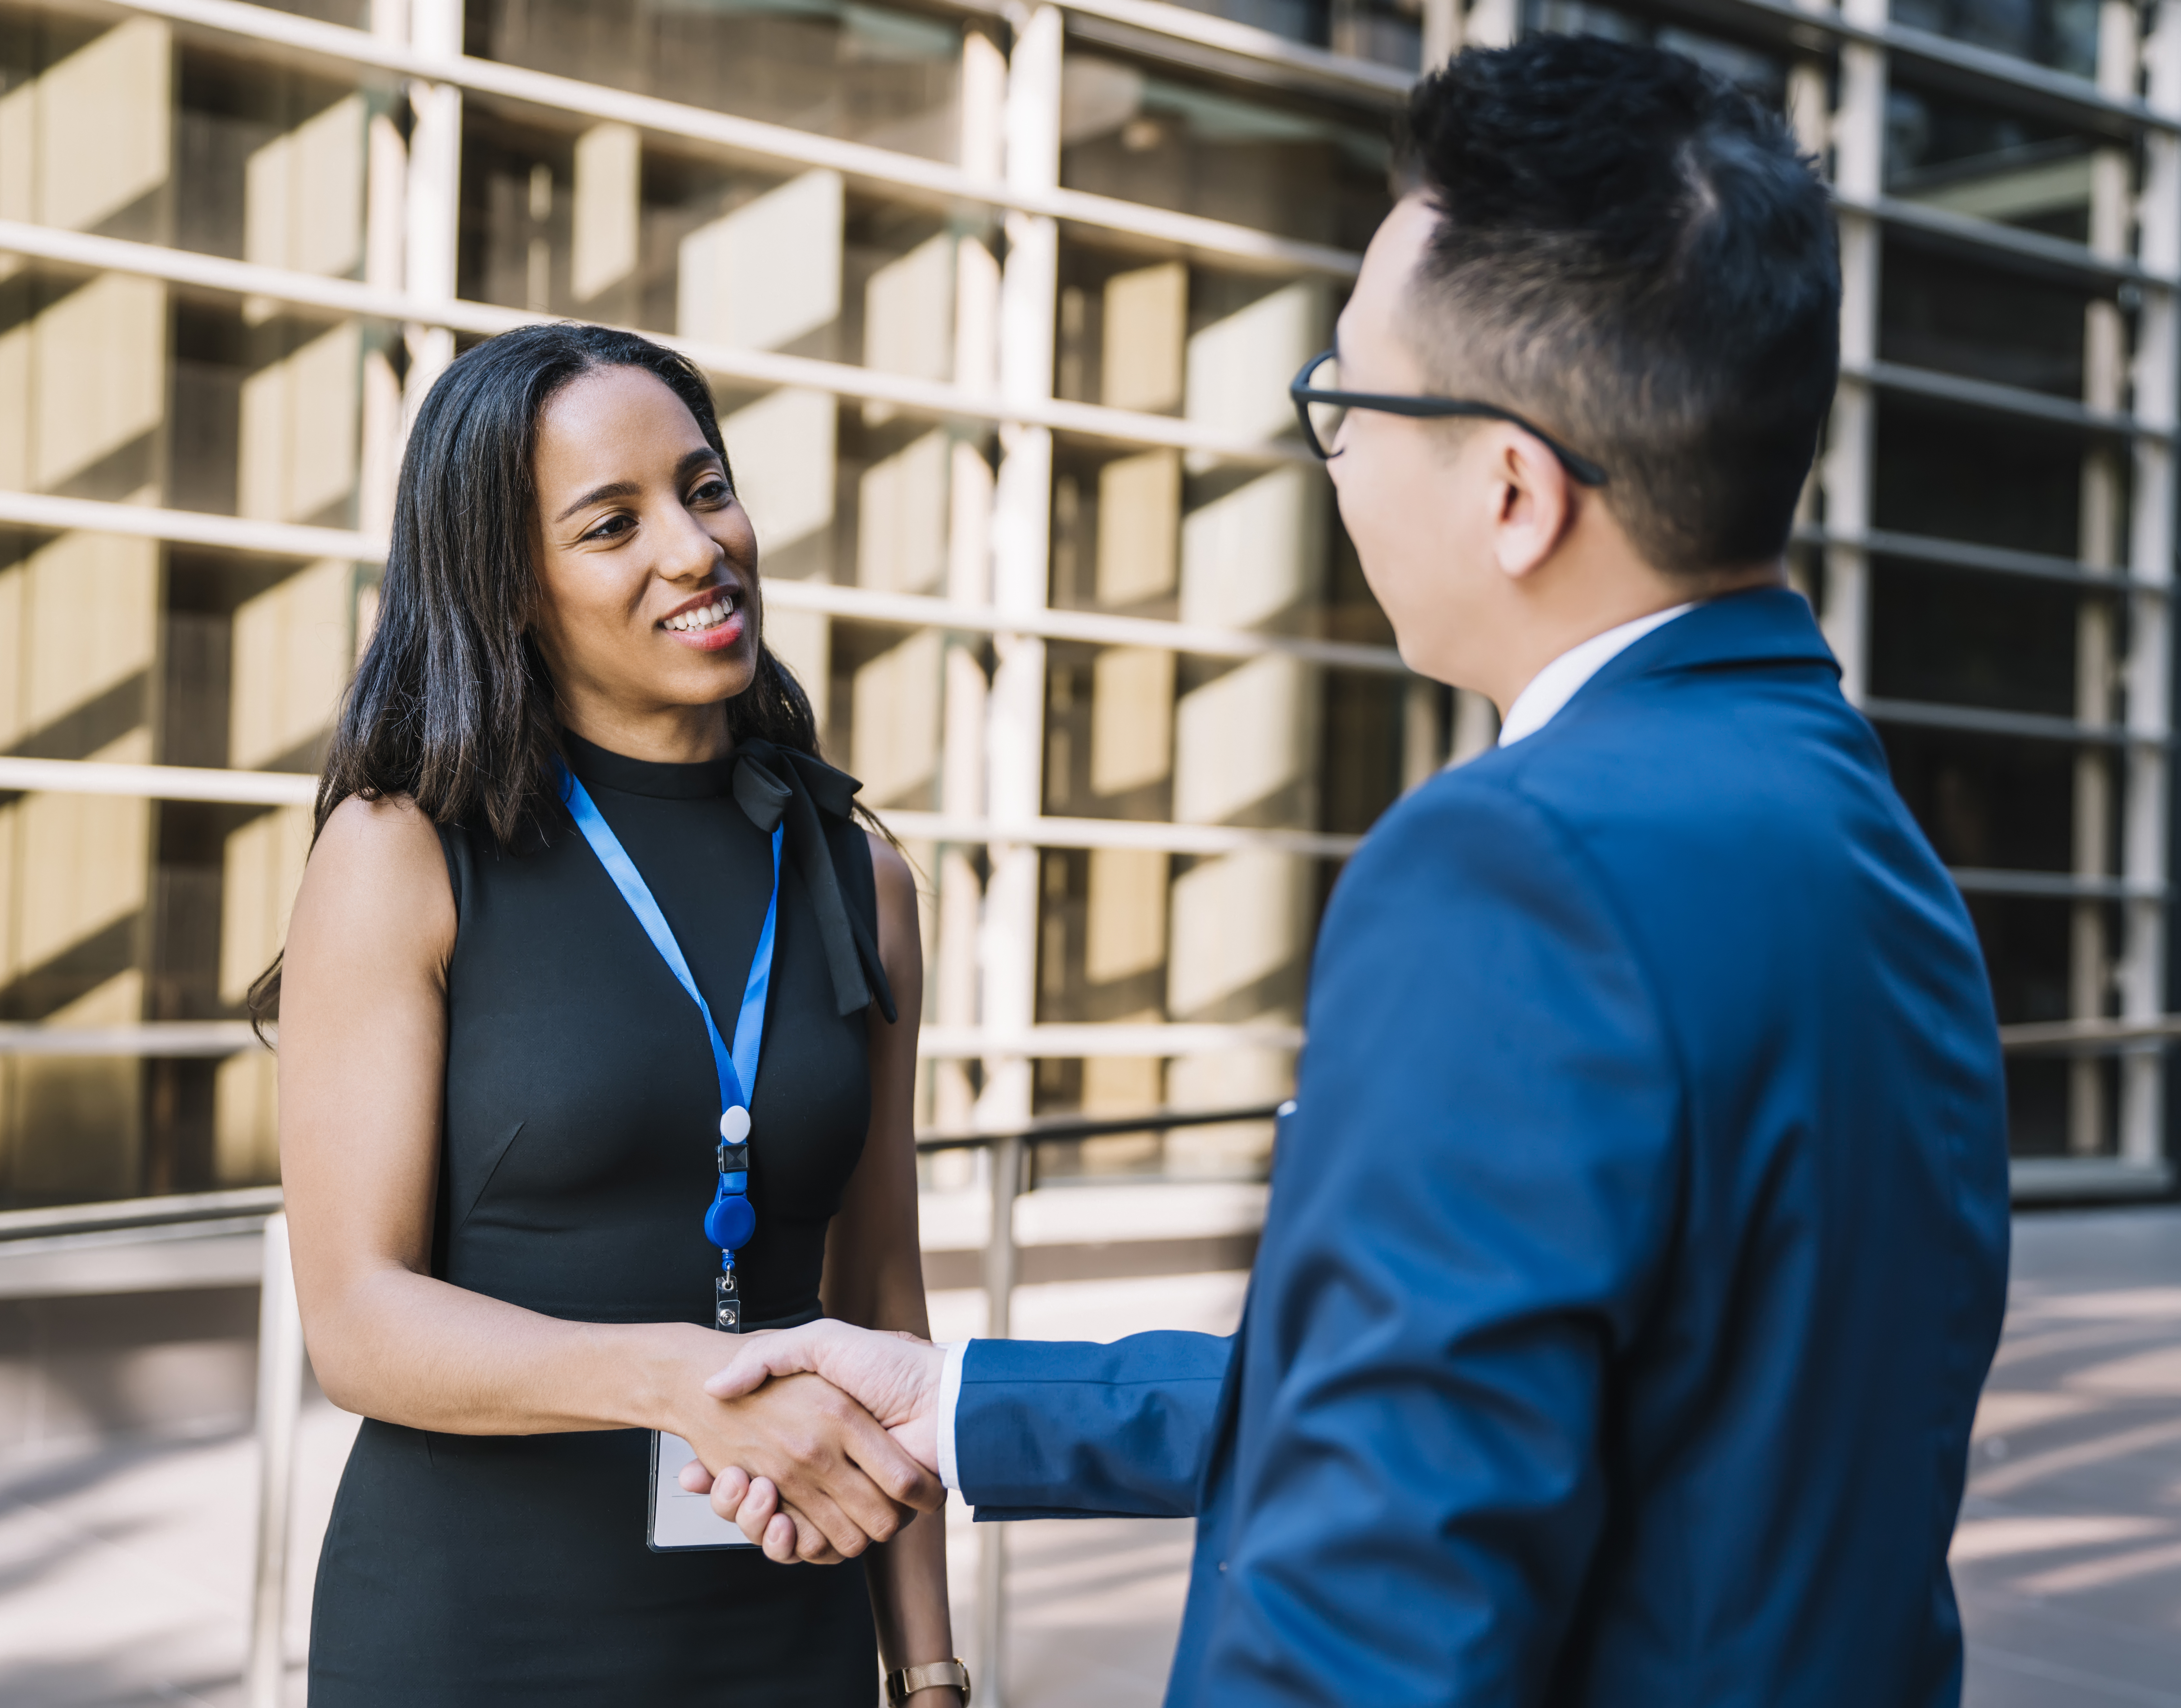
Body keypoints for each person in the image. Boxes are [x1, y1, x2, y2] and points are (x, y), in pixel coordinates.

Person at [694, 33, 2012, 1708]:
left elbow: (1373, 1597)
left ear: (1514, 489)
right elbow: (1586, 1402)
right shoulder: (1867, 841)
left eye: (1346, 402)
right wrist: (965, 1404)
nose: (1332, 454)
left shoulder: (1513, 869)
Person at [270, 322, 961, 1706]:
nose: (697, 549)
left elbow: (882, 1293)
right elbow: (356, 1322)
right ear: (510, 587)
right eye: (612, 524)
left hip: (789, 1627)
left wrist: (930, 1668)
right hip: (477, 1638)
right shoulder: (403, 853)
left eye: (706, 491)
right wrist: (680, 1379)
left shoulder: (860, 878)